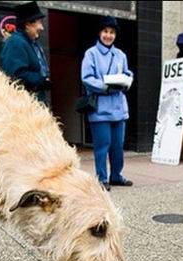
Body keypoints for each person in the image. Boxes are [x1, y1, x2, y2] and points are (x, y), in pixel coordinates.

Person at [81, 16, 134, 191]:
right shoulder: (91, 54)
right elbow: (86, 78)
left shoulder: (121, 55)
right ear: (99, 33)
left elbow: (128, 73)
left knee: (118, 145)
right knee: (102, 145)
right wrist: (106, 86)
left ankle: (116, 175)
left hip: (119, 107)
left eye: (112, 32)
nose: (108, 35)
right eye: (105, 31)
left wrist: (128, 80)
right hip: (100, 109)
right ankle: (102, 179)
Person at [0, 1, 51, 104]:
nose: (42, 28)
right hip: (23, 105)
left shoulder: (31, 43)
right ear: (28, 24)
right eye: (39, 23)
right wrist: (41, 81)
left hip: (35, 101)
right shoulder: (16, 42)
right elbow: (15, 74)